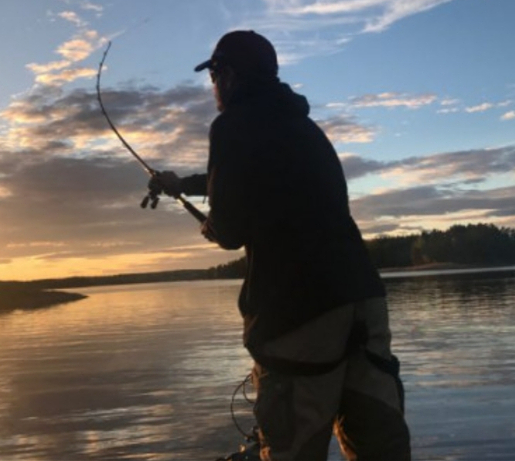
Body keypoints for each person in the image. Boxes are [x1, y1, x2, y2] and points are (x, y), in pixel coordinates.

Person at [150, 31, 411, 461]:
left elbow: (229, 231)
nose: (213, 86)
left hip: (297, 310)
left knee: (292, 446)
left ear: (229, 75)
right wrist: (181, 185)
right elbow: (252, 180)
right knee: (379, 445)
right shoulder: (303, 127)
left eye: (213, 75)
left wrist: (211, 227)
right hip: (363, 300)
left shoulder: (231, 125)